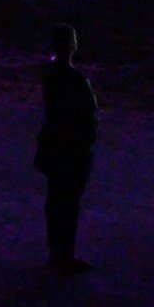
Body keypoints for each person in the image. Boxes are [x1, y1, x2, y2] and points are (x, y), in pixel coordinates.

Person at [31, 27, 97, 273]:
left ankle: (55, 251)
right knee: (68, 202)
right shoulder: (77, 81)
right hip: (73, 149)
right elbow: (89, 119)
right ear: (71, 45)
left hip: (55, 146)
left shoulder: (50, 76)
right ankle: (64, 254)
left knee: (56, 200)